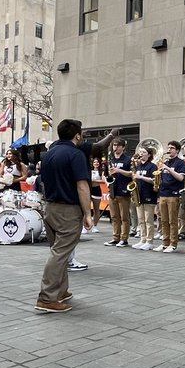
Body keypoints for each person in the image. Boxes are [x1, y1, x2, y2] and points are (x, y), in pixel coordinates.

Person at [34, 119, 95, 313]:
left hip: (50, 206)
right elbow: (82, 185)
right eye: (82, 133)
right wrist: (88, 213)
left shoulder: (49, 154)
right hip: (68, 209)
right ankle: (47, 297)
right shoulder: (75, 154)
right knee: (60, 253)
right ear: (77, 135)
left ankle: (60, 291)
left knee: (59, 251)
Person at [156, 141, 185, 252]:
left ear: (177, 150)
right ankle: (165, 242)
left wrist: (168, 169)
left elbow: (180, 178)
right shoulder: (166, 161)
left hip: (173, 194)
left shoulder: (180, 163)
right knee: (163, 220)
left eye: (172, 148)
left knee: (172, 221)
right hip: (163, 194)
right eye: (168, 147)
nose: (169, 150)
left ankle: (173, 244)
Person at [107, 139, 133, 246]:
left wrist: (119, 171)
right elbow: (106, 174)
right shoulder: (111, 159)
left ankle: (124, 238)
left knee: (124, 217)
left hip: (123, 190)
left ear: (123, 147)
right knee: (114, 216)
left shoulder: (128, 160)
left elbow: (132, 173)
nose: (115, 148)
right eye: (114, 145)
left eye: (117, 146)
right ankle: (115, 237)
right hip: (113, 190)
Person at [131, 146, 159, 249]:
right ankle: (142, 239)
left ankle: (149, 241)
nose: (141, 153)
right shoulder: (139, 166)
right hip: (139, 195)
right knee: (141, 219)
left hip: (149, 195)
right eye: (140, 152)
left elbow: (154, 181)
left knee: (148, 220)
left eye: (143, 152)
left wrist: (141, 177)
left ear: (149, 155)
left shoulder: (152, 166)